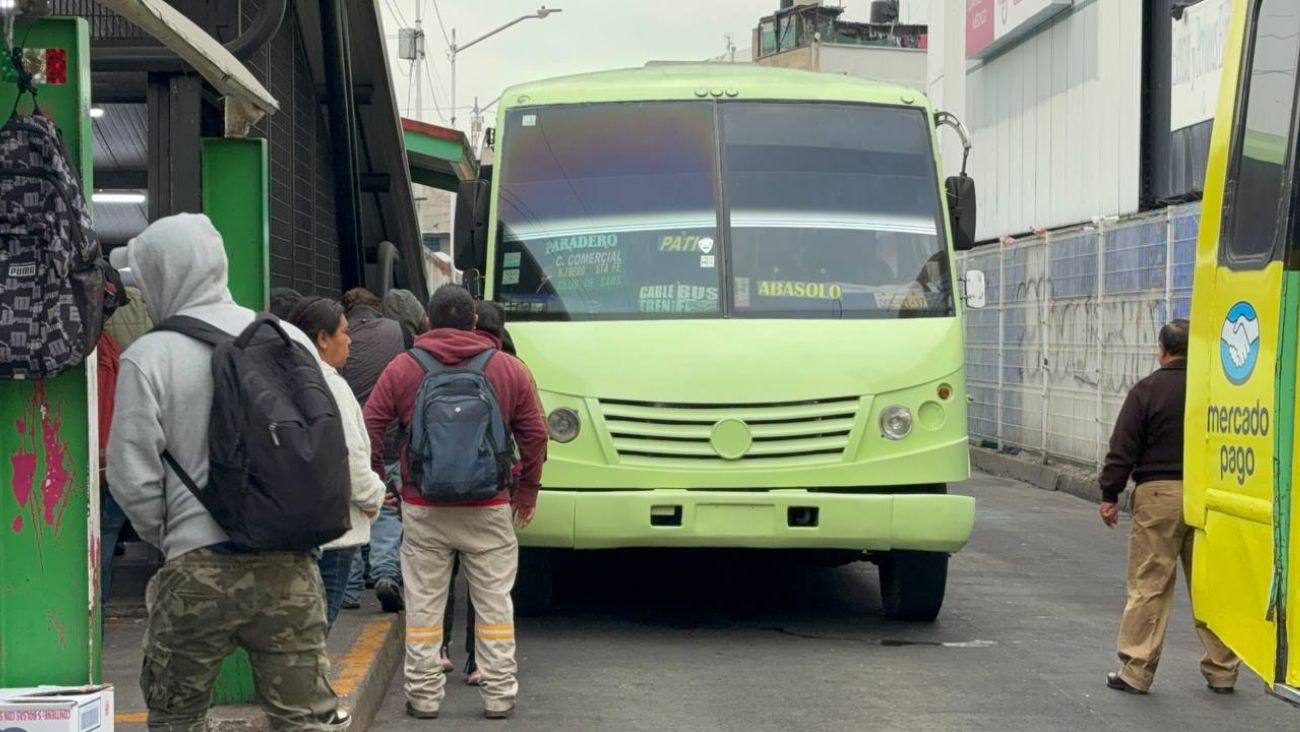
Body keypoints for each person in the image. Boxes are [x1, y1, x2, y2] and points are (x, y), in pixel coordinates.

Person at [106, 213, 347, 730]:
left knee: (177, 719)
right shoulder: (288, 338)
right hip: (291, 564)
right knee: (307, 721)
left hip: (197, 571)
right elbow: (329, 439)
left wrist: (173, 536)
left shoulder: (149, 355)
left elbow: (131, 476)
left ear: (162, 275)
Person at [364, 285, 547, 720]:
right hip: (489, 505)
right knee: (494, 602)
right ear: (474, 322)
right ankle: (499, 696)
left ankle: (424, 697)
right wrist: (526, 491)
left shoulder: (404, 367)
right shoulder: (508, 368)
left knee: (425, 604)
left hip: (424, 505)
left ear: (428, 322)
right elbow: (536, 435)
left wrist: (380, 482)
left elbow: (369, 423)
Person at [1100, 319, 1240, 695]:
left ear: (1162, 351)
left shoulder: (1146, 390)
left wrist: (1110, 494)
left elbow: (1123, 447)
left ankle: (1136, 670)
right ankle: (1223, 671)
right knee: (1212, 586)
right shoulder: (1215, 390)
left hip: (1158, 496)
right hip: (1209, 495)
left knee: (1149, 584)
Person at [289, 296, 385, 631]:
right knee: (318, 629)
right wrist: (373, 498)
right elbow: (350, 456)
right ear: (322, 338)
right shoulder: (331, 385)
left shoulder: (286, 378)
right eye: (343, 332)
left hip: (297, 524)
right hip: (335, 531)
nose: (349, 340)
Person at [339, 288, 408, 613]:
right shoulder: (397, 331)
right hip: (389, 438)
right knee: (388, 507)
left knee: (351, 507)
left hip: (349, 437)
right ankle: (385, 573)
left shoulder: (339, 337)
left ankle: (349, 590)